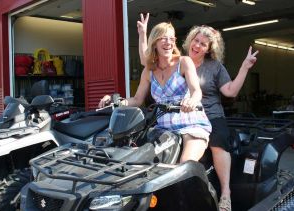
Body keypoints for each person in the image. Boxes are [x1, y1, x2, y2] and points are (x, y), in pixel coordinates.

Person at [137, 13, 259, 211]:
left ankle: (225, 194)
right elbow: (148, 60)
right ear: (189, 40)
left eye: (203, 43)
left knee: (218, 143)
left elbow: (229, 91)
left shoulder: (214, 67)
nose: (198, 45)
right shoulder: (174, 60)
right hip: (176, 116)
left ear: (210, 49)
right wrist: (143, 34)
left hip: (209, 113)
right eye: (196, 40)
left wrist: (245, 67)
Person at [99, 22, 212, 162]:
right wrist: (116, 101)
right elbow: (137, 99)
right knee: (142, 163)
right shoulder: (149, 71)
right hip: (163, 128)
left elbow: (196, 91)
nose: (168, 42)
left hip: (191, 124)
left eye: (171, 39)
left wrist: (192, 101)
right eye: (163, 38)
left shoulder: (184, 62)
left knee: (185, 165)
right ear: (154, 42)